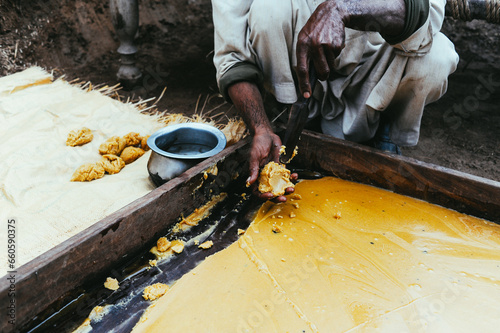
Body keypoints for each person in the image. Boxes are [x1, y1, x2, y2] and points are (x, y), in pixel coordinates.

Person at [211, 0, 459, 200]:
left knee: (437, 58)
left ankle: (384, 130)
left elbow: (424, 14)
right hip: (299, 71)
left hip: (374, 66)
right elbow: (232, 57)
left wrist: (343, 9)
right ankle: (290, 120)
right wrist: (260, 127)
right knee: (270, 9)